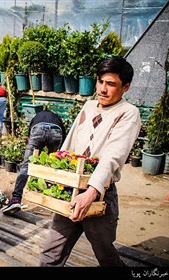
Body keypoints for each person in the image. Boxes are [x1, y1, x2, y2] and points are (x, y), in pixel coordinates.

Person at [39, 56, 141, 267]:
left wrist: (91, 192)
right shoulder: (88, 106)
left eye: (111, 84)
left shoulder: (128, 114)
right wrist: (55, 177)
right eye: (100, 81)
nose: (103, 89)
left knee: (105, 255)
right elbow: (69, 144)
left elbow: (113, 156)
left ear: (126, 87)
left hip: (99, 194)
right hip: (71, 189)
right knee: (51, 252)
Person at [2, 109, 66, 215]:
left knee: (26, 166)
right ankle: (52, 200)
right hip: (56, 131)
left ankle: (16, 200)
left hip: (38, 130)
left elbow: (29, 137)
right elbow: (63, 140)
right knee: (54, 166)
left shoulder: (37, 118)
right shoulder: (57, 118)